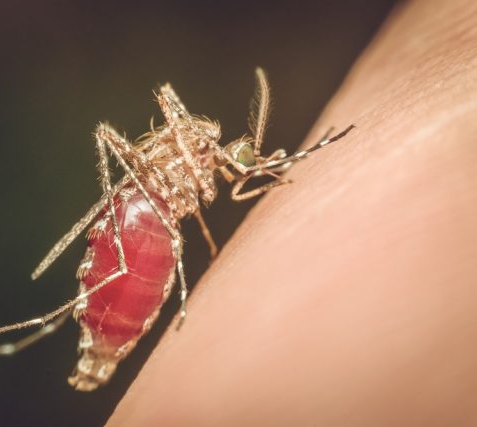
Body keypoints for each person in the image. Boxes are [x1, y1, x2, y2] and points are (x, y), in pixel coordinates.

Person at [109, 0, 477, 424]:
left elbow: (233, 190)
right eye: (254, 162)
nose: (256, 165)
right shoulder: (202, 156)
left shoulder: (219, 169)